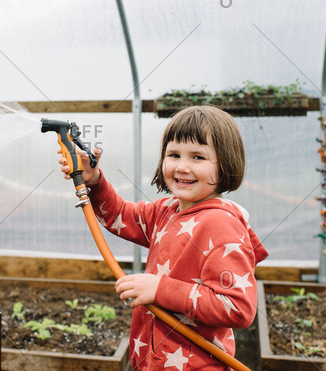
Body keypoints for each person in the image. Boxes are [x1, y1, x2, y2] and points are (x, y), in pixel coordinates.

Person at [58, 105, 268, 370]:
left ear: (226, 163)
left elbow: (237, 307)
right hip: (152, 359)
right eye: (174, 154)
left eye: (198, 158)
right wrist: (95, 180)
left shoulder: (221, 225)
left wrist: (160, 290)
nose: (182, 167)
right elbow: (120, 215)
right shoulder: (167, 210)